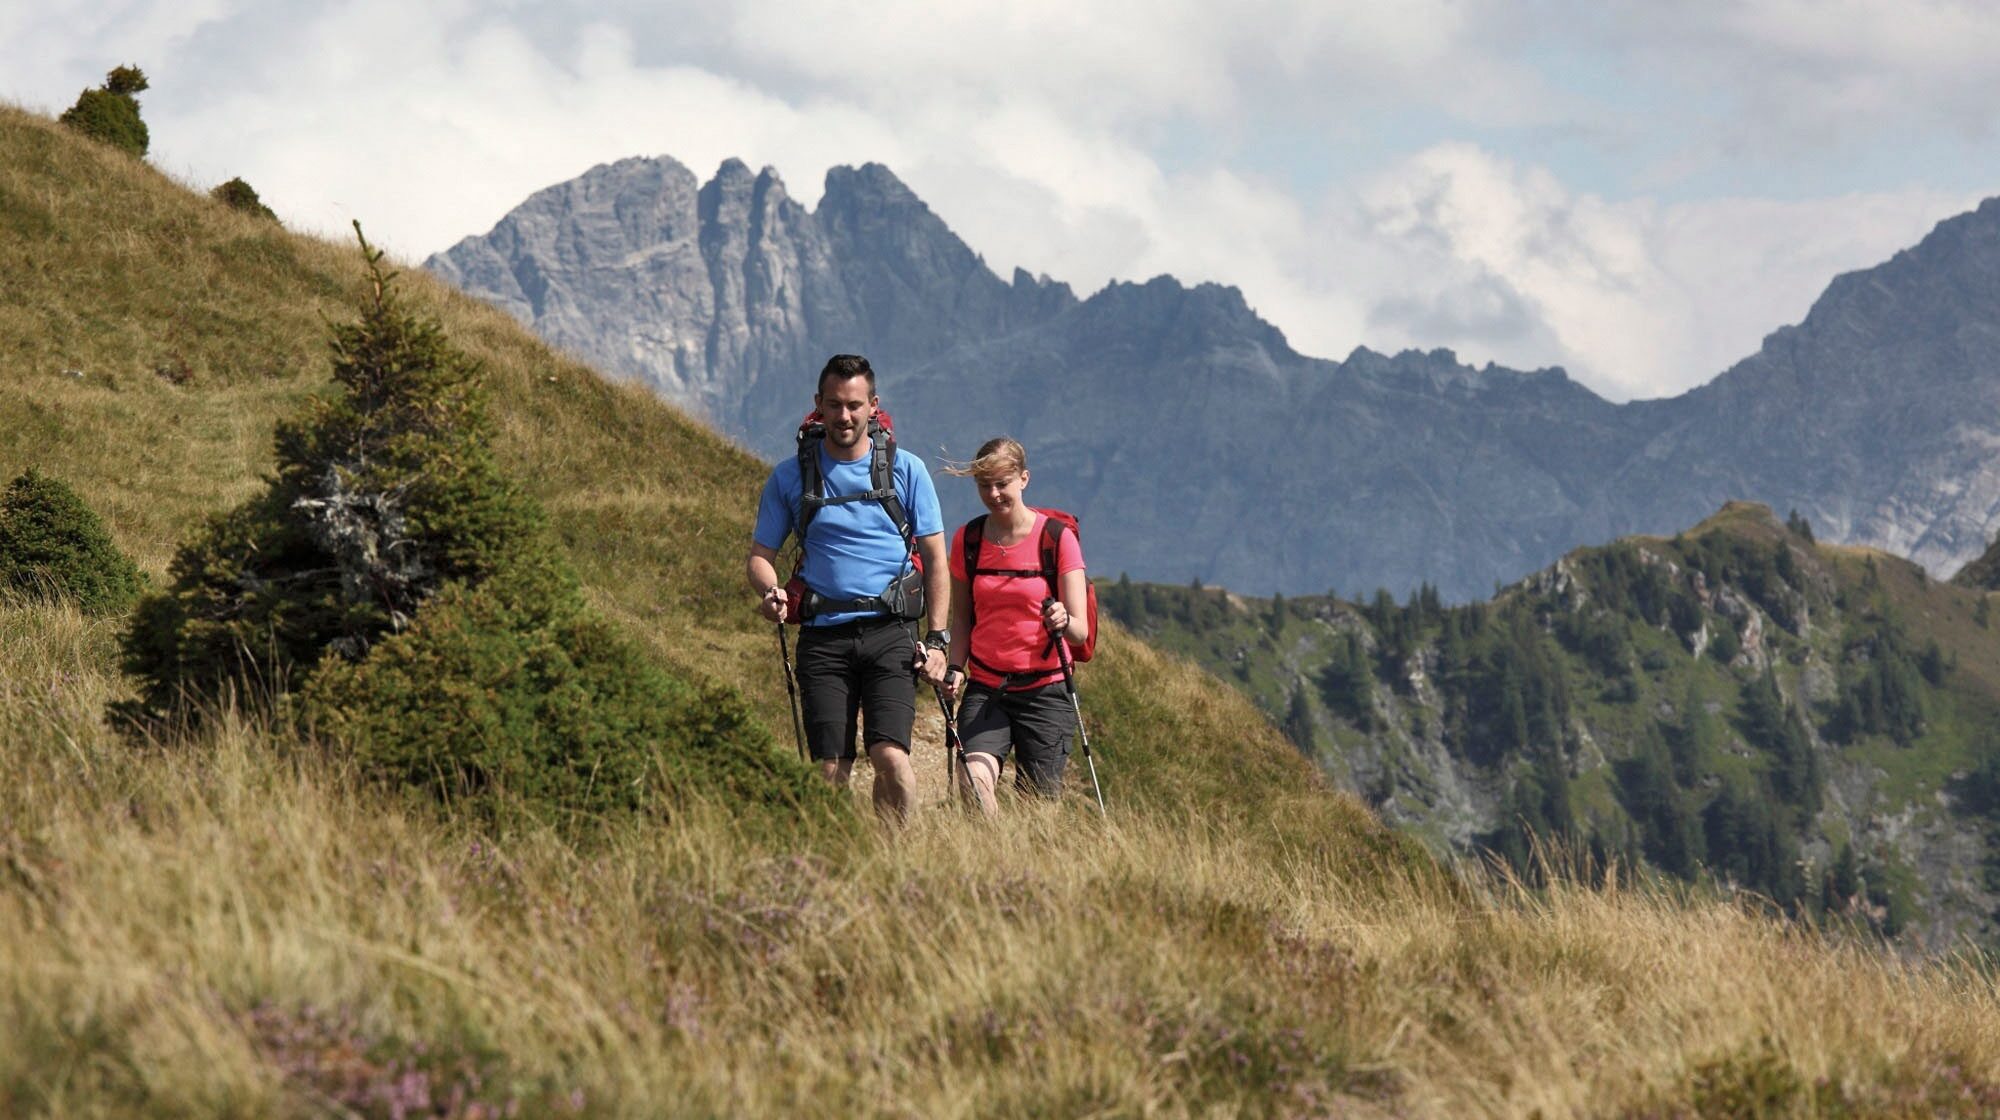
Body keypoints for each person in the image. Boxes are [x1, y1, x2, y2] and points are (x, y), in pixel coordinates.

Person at [746, 355, 951, 824]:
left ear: (874, 407)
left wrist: (937, 640)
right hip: (823, 636)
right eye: (834, 405)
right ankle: (830, 861)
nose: (844, 416)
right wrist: (771, 591)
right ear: (817, 405)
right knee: (829, 768)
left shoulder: (908, 470)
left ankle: (896, 860)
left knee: (892, 759)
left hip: (892, 632)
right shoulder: (788, 476)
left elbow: (938, 562)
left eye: (855, 405)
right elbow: (760, 557)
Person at [940, 438, 1089, 814]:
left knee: (1038, 809)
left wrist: (1063, 619)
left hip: (1046, 691)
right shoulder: (968, 540)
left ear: (1024, 479)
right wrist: (956, 668)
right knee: (973, 781)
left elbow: (1080, 632)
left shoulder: (1057, 539)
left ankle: (1022, 869)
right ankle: (993, 863)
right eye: (984, 485)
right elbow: (963, 618)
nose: (993, 494)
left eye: (1002, 483)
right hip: (987, 687)